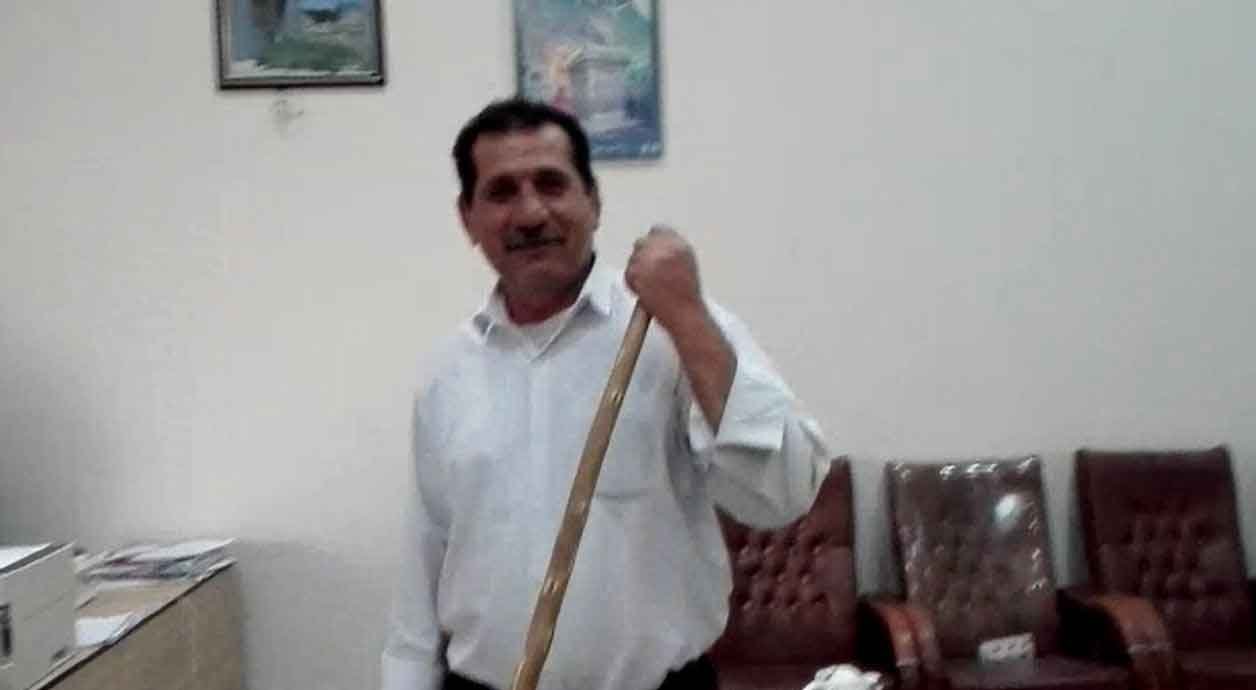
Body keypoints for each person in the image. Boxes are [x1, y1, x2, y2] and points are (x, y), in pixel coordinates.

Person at [382, 98, 831, 690]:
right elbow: (424, 568)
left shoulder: (675, 329)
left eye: (551, 184)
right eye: (501, 192)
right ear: (468, 219)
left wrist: (688, 317)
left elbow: (783, 494)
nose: (531, 212)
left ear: (593, 201)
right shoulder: (447, 374)